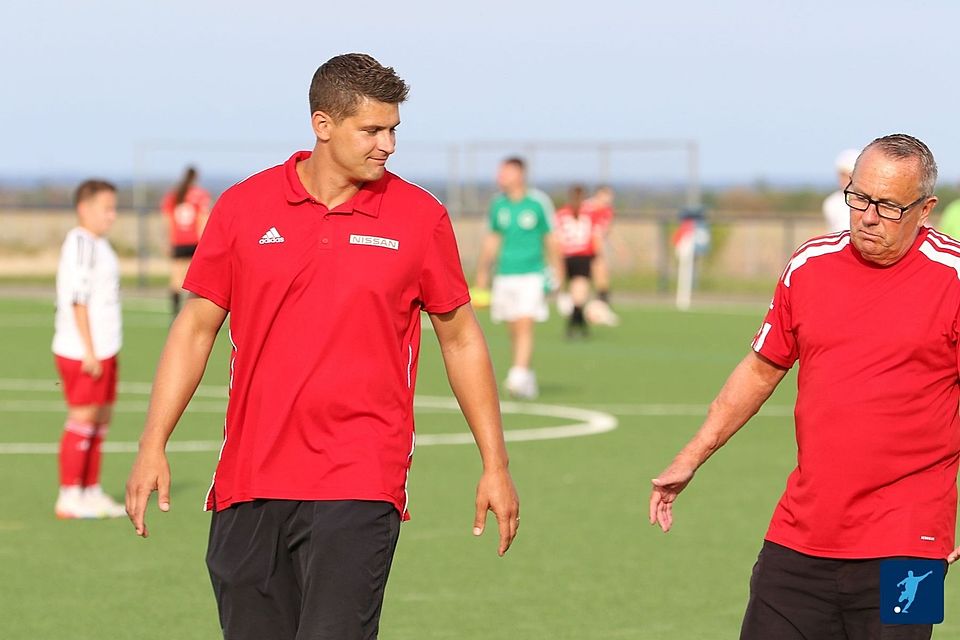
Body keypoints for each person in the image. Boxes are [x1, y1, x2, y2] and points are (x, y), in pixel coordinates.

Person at [125, 53, 519, 640]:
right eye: (372, 130)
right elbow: (195, 327)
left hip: (360, 478)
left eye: (394, 130)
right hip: (249, 478)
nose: (387, 145)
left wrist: (496, 464)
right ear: (323, 124)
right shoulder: (242, 207)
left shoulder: (420, 217)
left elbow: (460, 338)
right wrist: (153, 441)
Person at [649, 134, 960, 640]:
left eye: (887, 206)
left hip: (912, 546)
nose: (867, 216)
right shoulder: (808, 265)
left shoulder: (953, 277)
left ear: (925, 209)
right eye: (858, 197)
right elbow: (760, 368)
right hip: (801, 534)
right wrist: (691, 455)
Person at [52, 179, 126, 519]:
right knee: (82, 419)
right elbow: (77, 300)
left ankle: (90, 489)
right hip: (84, 351)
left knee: (101, 418)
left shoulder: (100, 244)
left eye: (114, 208)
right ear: (84, 208)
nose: (111, 215)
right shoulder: (80, 244)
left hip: (107, 346)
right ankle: (69, 494)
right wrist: (89, 350)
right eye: (105, 208)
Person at [475, 157, 560, 399]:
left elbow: (551, 238)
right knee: (513, 325)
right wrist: (482, 273)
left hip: (532, 274)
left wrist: (558, 271)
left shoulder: (538, 202)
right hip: (505, 275)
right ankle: (526, 374)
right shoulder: (498, 205)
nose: (500, 177)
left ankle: (518, 373)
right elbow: (492, 239)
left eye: (505, 172)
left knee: (525, 322)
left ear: (520, 174)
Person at [160, 165, 210, 317]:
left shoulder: (174, 195)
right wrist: (205, 242)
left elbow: (167, 221)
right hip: (194, 242)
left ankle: (175, 314)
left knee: (176, 279)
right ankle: (195, 313)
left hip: (178, 242)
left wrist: (168, 241)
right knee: (197, 279)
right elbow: (203, 219)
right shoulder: (200, 195)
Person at [555, 184, 600, 337]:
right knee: (580, 294)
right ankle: (573, 326)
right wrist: (597, 256)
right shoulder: (589, 214)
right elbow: (595, 236)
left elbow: (556, 237)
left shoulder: (561, 214)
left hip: (566, 256)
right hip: (582, 256)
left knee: (575, 294)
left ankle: (580, 327)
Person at [582, 184, 616, 314]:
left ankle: (601, 306)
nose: (609, 199)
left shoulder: (607, 211)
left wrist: (618, 246)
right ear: (598, 195)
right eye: (606, 196)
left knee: (602, 276)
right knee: (584, 278)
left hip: (597, 246)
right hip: (583, 248)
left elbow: (607, 232)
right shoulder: (586, 208)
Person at [821, 148, 860, 233]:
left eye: (849, 175)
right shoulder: (831, 202)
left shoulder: (867, 202)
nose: (845, 179)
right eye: (842, 175)